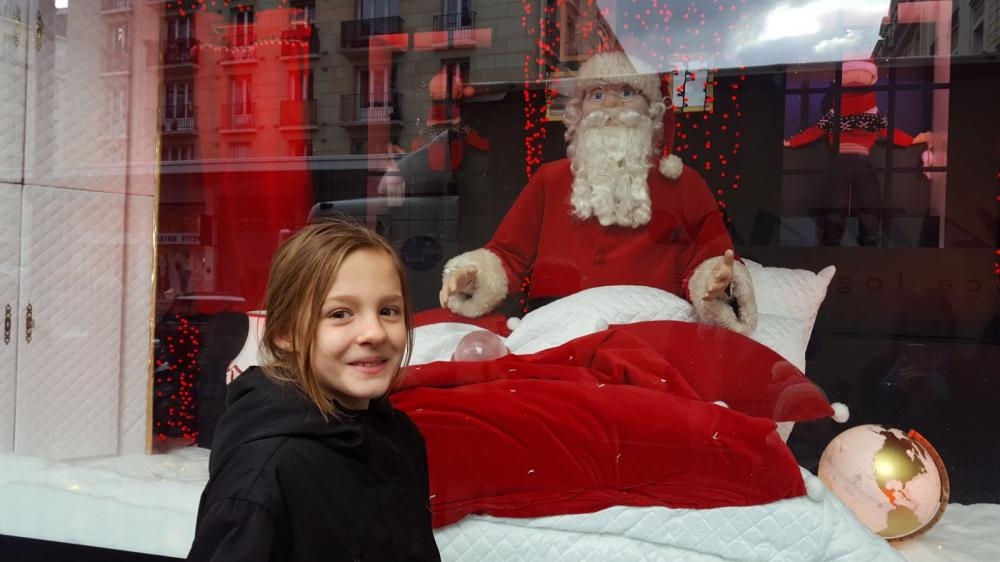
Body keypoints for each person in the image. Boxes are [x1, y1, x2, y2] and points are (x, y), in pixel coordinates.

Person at [438, 51, 757, 334]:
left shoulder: (683, 183)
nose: (611, 105)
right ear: (579, 110)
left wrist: (718, 283)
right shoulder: (550, 179)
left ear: (651, 110)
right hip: (555, 329)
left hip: (648, 330)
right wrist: (473, 278)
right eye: (597, 94)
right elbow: (508, 256)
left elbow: (709, 261)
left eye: (626, 92)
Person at [187, 219, 440, 562]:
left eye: (388, 311)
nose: (375, 332)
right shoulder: (264, 476)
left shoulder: (401, 438)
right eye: (340, 313)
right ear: (284, 333)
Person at [783, 59, 930, 246]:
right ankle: (863, 239)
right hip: (858, 162)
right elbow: (891, 133)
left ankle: (837, 240)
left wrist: (791, 142)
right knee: (862, 201)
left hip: (845, 162)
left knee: (845, 202)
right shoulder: (867, 115)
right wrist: (914, 140)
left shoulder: (839, 115)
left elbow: (814, 132)